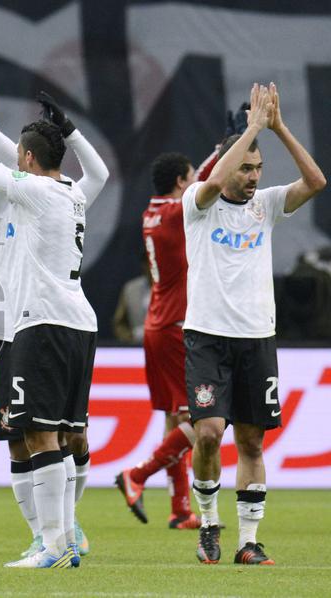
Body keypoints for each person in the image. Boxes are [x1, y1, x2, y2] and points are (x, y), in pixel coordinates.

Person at [0, 75, 107, 569]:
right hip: (43, 323)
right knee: (30, 439)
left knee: (47, 436)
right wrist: (63, 133)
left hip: (38, 322)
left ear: (24, 165)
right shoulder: (64, 195)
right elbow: (96, 173)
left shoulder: (38, 194)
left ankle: (57, 540)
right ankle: (55, 536)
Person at [182, 83, 325, 565]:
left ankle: (248, 541)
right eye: (245, 168)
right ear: (226, 167)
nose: (253, 177)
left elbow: (316, 182)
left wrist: (278, 128)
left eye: (258, 169)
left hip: (257, 338)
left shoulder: (265, 206)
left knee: (250, 440)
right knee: (207, 434)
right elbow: (213, 181)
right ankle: (207, 524)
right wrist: (251, 130)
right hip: (206, 336)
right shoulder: (196, 208)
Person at [115, 152, 201, 529]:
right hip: (175, 325)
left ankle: (180, 509)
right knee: (201, 419)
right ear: (181, 182)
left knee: (175, 418)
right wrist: (230, 147)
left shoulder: (151, 211)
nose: (198, 179)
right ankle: (138, 474)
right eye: (192, 175)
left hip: (159, 324)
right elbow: (213, 182)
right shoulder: (174, 213)